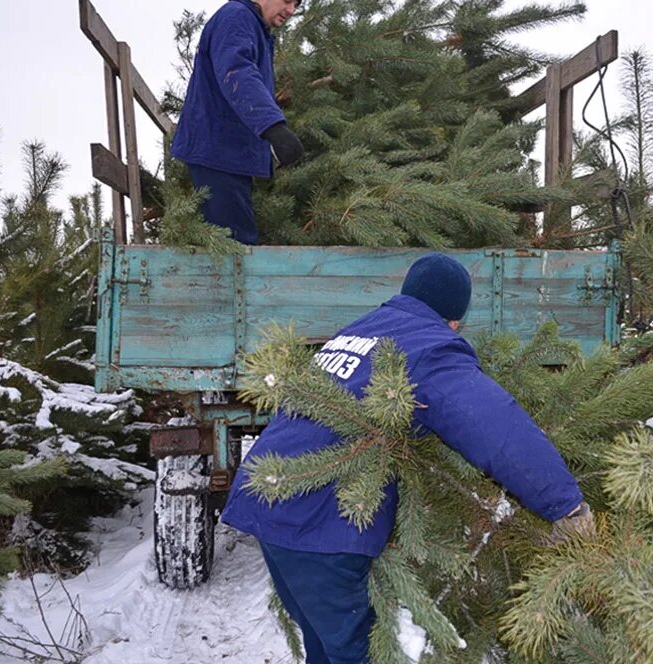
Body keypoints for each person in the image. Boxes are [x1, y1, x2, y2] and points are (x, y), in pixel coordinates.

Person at [221, 253, 595, 664]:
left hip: (268, 494)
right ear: (453, 318)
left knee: (326, 646)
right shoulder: (428, 347)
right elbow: (496, 426)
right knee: (358, 653)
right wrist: (565, 503)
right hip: (317, 522)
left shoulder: (361, 331)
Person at [170, 0, 307, 245]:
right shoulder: (237, 18)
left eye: (296, 6)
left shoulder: (255, 29)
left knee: (237, 239)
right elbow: (238, 73)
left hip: (227, 153)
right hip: (218, 151)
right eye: (287, 1)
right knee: (235, 246)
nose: (291, 11)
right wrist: (274, 129)